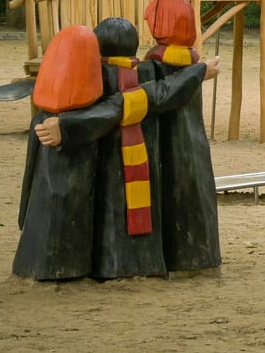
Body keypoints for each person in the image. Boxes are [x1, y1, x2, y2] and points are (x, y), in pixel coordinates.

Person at [90, 16, 211, 279]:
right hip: (137, 152)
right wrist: (198, 71)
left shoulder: (108, 75)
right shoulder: (143, 72)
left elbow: (150, 96)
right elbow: (157, 94)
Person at [15, 26, 126, 281]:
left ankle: (41, 262)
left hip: (42, 219)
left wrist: (24, 215)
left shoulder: (41, 120)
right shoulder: (89, 117)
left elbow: (29, 175)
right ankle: (66, 268)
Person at [143, 0, 221, 273]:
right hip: (191, 145)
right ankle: (196, 257)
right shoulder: (188, 64)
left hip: (170, 145)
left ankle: (186, 259)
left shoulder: (156, 65)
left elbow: (161, 96)